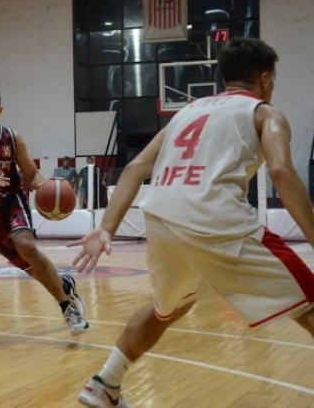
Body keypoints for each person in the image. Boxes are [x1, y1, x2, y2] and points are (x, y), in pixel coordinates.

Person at [70, 38, 314, 408]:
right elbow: (281, 170)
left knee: (169, 307)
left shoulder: (187, 112)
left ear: (225, 77)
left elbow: (135, 168)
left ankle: (105, 383)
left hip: (161, 219)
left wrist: (106, 228)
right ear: (265, 79)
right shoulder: (265, 113)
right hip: (215, 217)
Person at [0, 87, 90, 336]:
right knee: (29, 266)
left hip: (12, 202)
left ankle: (68, 308)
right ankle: (64, 284)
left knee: (26, 245)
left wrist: (45, 187)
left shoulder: (12, 138)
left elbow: (31, 174)